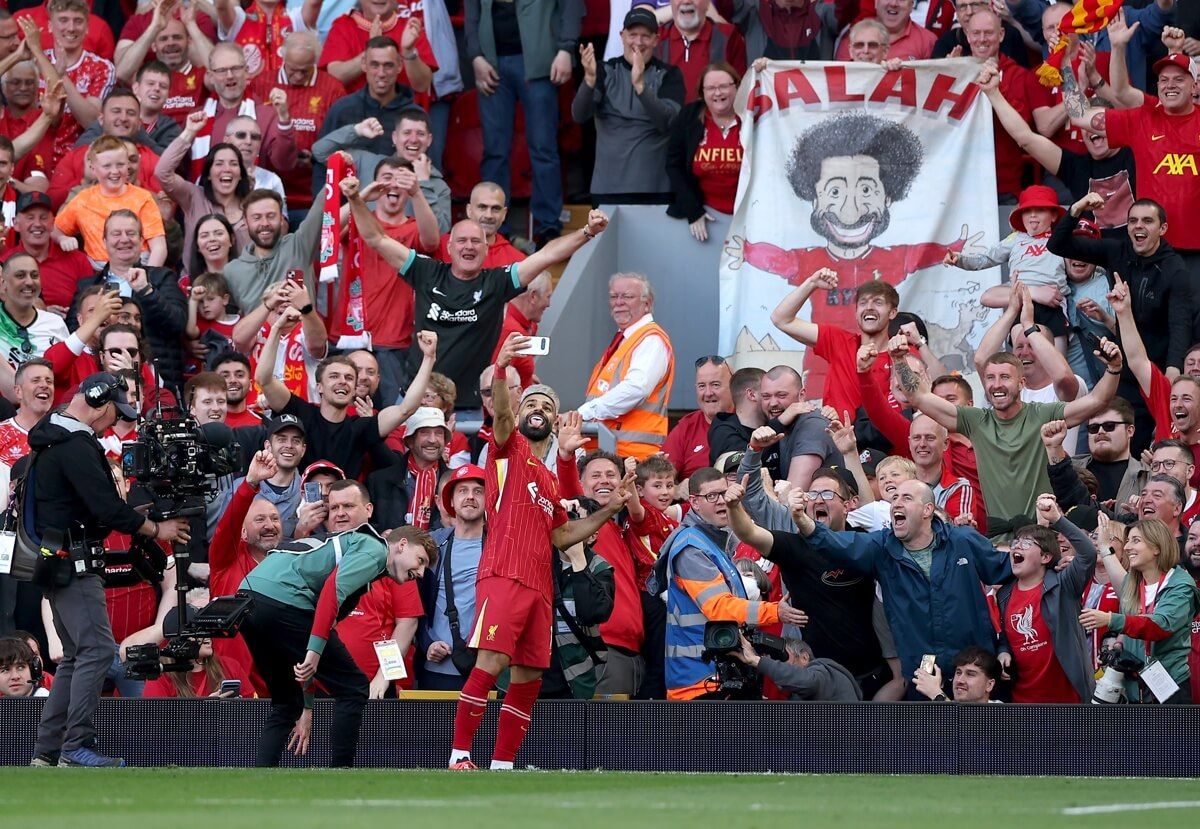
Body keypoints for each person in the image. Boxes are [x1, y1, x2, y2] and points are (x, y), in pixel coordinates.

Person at [448, 333, 635, 770]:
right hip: (504, 574)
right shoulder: (506, 449)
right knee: (492, 661)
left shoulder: (549, 481)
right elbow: (500, 419)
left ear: (555, 423)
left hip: (539, 587)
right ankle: (459, 755)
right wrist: (501, 367)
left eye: (547, 408)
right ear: (517, 411)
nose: (538, 411)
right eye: (531, 403)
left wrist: (610, 507)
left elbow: (563, 535)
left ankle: (502, 764)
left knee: (529, 677)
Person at [29, 373, 190, 767]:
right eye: (116, 413)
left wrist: (130, 517)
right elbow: (104, 508)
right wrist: (157, 528)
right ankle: (74, 747)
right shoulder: (75, 443)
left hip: (56, 559)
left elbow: (86, 508)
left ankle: (47, 752)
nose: (115, 424)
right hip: (73, 562)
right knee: (98, 650)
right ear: (100, 402)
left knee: (75, 656)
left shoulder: (53, 437)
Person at [342, 174, 609, 410]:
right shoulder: (426, 271)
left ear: (485, 249)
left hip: (470, 407)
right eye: (461, 241)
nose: (468, 247)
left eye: (475, 242)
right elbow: (377, 238)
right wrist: (355, 198)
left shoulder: (497, 282)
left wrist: (586, 232)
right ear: (449, 247)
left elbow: (547, 255)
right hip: (416, 400)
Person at [240, 521, 436, 766]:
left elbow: (318, 626)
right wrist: (313, 652)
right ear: (402, 545)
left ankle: (259, 780)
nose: (420, 573)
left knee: (287, 703)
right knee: (353, 688)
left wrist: (308, 703)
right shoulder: (375, 549)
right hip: (282, 601)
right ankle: (341, 774)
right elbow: (330, 594)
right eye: (420, 561)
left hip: (247, 602)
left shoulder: (360, 565)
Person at [783, 477, 1011, 688]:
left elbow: (1010, 571)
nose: (896, 504)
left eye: (907, 498)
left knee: (983, 731)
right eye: (894, 499)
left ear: (927, 510)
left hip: (975, 669)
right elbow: (837, 544)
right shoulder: (882, 548)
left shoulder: (962, 540)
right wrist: (802, 518)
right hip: (924, 673)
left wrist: (1004, 645)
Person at [901, 339, 1124, 526]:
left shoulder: (1043, 414)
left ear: (1021, 383)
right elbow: (918, 397)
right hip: (998, 542)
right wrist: (898, 360)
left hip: (1043, 535)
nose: (996, 385)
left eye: (1005, 377)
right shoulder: (976, 421)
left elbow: (1097, 400)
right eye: (990, 378)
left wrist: (1113, 368)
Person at [727, 456, 894, 698]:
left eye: (827, 494)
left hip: (871, 674)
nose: (818, 500)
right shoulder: (795, 546)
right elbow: (749, 532)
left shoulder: (865, 542)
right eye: (812, 494)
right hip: (818, 678)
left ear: (848, 505)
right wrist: (734, 507)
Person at [661, 466, 805, 700]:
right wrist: (775, 611)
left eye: (724, 493)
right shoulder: (691, 547)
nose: (721, 501)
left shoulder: (713, 541)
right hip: (698, 682)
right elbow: (718, 607)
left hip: (721, 675)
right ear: (694, 503)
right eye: (711, 496)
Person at [1060, 42, 1200, 265]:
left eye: (1179, 79)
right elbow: (1079, 116)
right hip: (1152, 249)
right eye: (1163, 80)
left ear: (1195, 86)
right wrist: (1065, 64)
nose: (1169, 85)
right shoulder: (1142, 119)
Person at [254, 309, 436, 479]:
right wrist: (277, 328)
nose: (342, 381)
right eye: (334, 376)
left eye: (349, 378)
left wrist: (429, 358)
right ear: (319, 387)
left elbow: (406, 409)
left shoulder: (360, 427)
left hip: (343, 507)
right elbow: (264, 379)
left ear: (354, 388)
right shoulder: (301, 412)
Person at [465, 0, 580, 248]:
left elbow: (571, 6)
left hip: (539, 60)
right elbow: (471, 13)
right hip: (491, 61)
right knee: (494, 150)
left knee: (543, 147)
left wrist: (565, 48)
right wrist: (475, 55)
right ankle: (492, 227)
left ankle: (548, 226)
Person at [328, 157, 439, 404]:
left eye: (401, 179)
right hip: (349, 334)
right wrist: (357, 199)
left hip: (393, 341)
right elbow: (327, 230)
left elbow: (432, 241)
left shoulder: (413, 228)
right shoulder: (358, 218)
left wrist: (417, 191)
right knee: (340, 411)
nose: (393, 185)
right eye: (386, 177)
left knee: (389, 416)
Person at [1049, 196, 1192, 376]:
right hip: (1122, 366)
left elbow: (1180, 324)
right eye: (1133, 221)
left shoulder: (1174, 268)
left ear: (1162, 228)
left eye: (1147, 221)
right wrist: (1077, 209)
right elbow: (1057, 245)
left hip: (1158, 368)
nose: (1138, 225)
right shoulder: (1116, 251)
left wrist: (1173, 369)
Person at [1081, 519, 1199, 703]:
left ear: (1156, 547)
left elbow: (1159, 626)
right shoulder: (1134, 583)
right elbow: (1115, 570)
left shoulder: (1181, 586)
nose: (1127, 547)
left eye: (1135, 540)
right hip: (1135, 689)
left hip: (1170, 689)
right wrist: (1120, 644)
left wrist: (1111, 619)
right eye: (1127, 541)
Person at [573, 10, 685, 204]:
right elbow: (579, 115)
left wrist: (641, 87)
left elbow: (667, 122)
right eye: (632, 35)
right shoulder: (604, 71)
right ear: (622, 36)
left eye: (645, 36)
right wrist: (589, 81)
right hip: (607, 189)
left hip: (656, 190)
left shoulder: (669, 75)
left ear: (656, 40)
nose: (638, 42)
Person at [995, 494, 1097, 703]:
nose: (1016, 547)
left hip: (1068, 701)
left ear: (1045, 557)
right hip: (1022, 702)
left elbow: (1088, 554)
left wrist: (1057, 519)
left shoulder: (1063, 585)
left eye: (1026, 543)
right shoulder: (1004, 593)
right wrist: (1003, 651)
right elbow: (1006, 634)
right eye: (1015, 542)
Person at [69, 210, 187, 388]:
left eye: (131, 233)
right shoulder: (86, 286)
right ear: (104, 242)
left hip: (156, 386)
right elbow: (73, 332)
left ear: (141, 241)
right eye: (116, 234)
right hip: (97, 382)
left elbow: (178, 323)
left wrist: (146, 290)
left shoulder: (161, 278)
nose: (124, 239)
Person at [249, 32, 345, 225]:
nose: (299, 76)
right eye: (293, 69)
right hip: (270, 192)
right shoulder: (261, 83)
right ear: (282, 57)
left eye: (306, 70)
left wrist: (317, 159)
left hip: (314, 195)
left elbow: (341, 141)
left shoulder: (333, 89)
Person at [579, 272, 675, 461]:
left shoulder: (651, 340)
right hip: (609, 453)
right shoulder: (625, 340)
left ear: (647, 303)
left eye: (628, 296)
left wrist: (584, 413)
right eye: (614, 296)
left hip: (630, 457)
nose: (619, 302)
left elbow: (636, 389)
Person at [312, 108, 451, 233]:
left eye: (420, 133)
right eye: (407, 133)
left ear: (429, 140)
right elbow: (320, 151)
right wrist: (356, 130)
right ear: (395, 137)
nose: (413, 139)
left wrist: (424, 184)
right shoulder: (366, 162)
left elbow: (441, 234)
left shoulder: (439, 186)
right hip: (363, 252)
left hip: (409, 256)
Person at [419, 464, 486, 691]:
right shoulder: (432, 545)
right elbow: (414, 606)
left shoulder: (503, 547)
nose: (470, 497)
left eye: (478, 491)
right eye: (462, 491)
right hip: (438, 666)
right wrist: (427, 643)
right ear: (451, 500)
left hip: (489, 668)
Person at [52, 136, 167, 267]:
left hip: (139, 266)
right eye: (107, 166)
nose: (115, 171)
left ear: (128, 165)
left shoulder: (142, 198)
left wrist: (147, 278)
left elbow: (159, 247)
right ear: (92, 168)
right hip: (99, 272)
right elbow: (54, 229)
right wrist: (62, 238)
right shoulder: (82, 200)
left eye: (120, 164)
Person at [188, 42, 296, 181]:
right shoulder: (196, 118)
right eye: (221, 70)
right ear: (211, 76)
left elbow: (284, 164)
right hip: (203, 199)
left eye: (236, 68)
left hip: (252, 198)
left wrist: (284, 118)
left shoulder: (266, 115)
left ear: (246, 71)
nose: (229, 76)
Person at [156, 114, 252, 268]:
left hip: (240, 287)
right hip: (195, 285)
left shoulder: (251, 208)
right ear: (208, 174)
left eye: (233, 164)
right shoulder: (194, 196)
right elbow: (162, 172)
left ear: (241, 174)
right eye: (219, 164)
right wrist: (189, 132)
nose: (226, 169)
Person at [665, 61, 743, 244]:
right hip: (704, 216)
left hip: (748, 217)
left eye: (724, 86)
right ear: (702, 92)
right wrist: (692, 210)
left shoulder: (754, 116)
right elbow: (673, 165)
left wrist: (766, 68)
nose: (717, 93)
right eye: (710, 88)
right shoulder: (689, 116)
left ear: (737, 87)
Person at [223, 184, 326, 315]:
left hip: (302, 334)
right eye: (256, 217)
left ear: (282, 218)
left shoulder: (300, 245)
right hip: (257, 336)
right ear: (245, 221)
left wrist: (338, 167)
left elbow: (320, 208)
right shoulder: (231, 271)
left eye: (271, 216)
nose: (264, 223)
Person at [4, 191, 95, 313]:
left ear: (53, 223)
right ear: (16, 224)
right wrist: (43, 313)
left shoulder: (78, 260)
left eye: (43, 218)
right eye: (30, 217)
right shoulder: (5, 262)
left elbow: (90, 304)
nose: (37, 224)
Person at [367, 405, 451, 531]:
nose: (433, 440)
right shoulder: (379, 481)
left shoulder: (455, 483)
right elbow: (366, 526)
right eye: (425, 432)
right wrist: (380, 539)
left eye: (438, 433)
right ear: (410, 441)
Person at [321, 4, 434, 95]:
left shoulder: (409, 28)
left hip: (403, 117)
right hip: (355, 117)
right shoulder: (343, 26)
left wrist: (408, 52)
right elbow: (334, 77)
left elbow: (422, 85)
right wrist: (370, 50)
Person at [654, 0, 745, 102]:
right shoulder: (655, 39)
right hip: (665, 117)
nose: (686, 1)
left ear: (707, 3)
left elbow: (741, 94)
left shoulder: (728, 37)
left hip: (711, 116)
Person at [662, 355, 732, 480]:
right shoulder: (686, 428)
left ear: (732, 386)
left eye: (715, 385)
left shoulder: (748, 421)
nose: (708, 393)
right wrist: (677, 490)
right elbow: (661, 480)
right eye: (701, 386)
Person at [731, 635, 862, 701]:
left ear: (804, 657)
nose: (778, 666)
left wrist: (757, 661)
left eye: (782, 659)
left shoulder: (824, 673)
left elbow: (808, 682)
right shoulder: (798, 693)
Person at [0, 253, 69, 374]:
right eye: (20, 275)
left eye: (34, 275)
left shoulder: (55, 323)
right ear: (3, 283)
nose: (29, 282)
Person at [435, 182, 526, 268]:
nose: (488, 215)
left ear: (504, 214)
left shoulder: (517, 261)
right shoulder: (441, 246)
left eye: (496, 209)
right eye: (482, 207)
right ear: (469, 210)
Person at [487, 270, 551, 389]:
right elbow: (492, 383)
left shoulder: (523, 326)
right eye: (548, 297)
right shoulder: (510, 330)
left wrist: (525, 377)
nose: (549, 304)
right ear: (533, 296)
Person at [836, 0, 936, 60]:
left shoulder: (928, 41)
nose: (893, 3)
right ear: (875, 2)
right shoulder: (855, 36)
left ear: (911, 6)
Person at [912, 645, 1002, 703]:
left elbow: (969, 730)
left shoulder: (1002, 713)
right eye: (958, 673)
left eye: (970, 674)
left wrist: (937, 694)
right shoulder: (936, 711)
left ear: (989, 685)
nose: (960, 680)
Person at [214, 351, 261, 428]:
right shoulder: (203, 422)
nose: (233, 380)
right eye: (225, 376)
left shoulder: (263, 424)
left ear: (250, 383)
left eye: (240, 375)